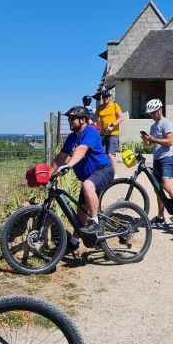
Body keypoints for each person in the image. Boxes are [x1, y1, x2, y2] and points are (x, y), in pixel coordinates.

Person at [51, 105, 114, 253]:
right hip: (90, 176)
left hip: (103, 170)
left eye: (72, 119)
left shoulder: (90, 132)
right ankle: (74, 241)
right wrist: (48, 175)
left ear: (83, 119)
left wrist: (69, 165)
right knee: (80, 211)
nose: (70, 122)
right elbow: (61, 157)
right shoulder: (72, 138)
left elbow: (81, 149)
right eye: (68, 119)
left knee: (87, 186)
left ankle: (95, 222)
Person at [141, 99, 173, 226]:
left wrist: (154, 140)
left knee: (167, 186)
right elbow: (149, 144)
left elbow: (169, 141)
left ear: (159, 110)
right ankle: (161, 216)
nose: (151, 115)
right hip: (157, 159)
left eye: (152, 113)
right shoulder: (153, 126)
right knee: (159, 190)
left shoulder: (166, 123)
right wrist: (146, 140)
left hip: (167, 159)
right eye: (149, 113)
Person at [94, 89, 124, 166]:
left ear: (110, 97)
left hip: (113, 133)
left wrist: (112, 125)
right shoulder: (100, 107)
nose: (105, 98)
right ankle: (105, 171)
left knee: (110, 154)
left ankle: (114, 174)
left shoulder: (114, 106)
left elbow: (121, 118)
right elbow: (94, 119)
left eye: (107, 97)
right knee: (102, 154)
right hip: (103, 134)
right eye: (104, 97)